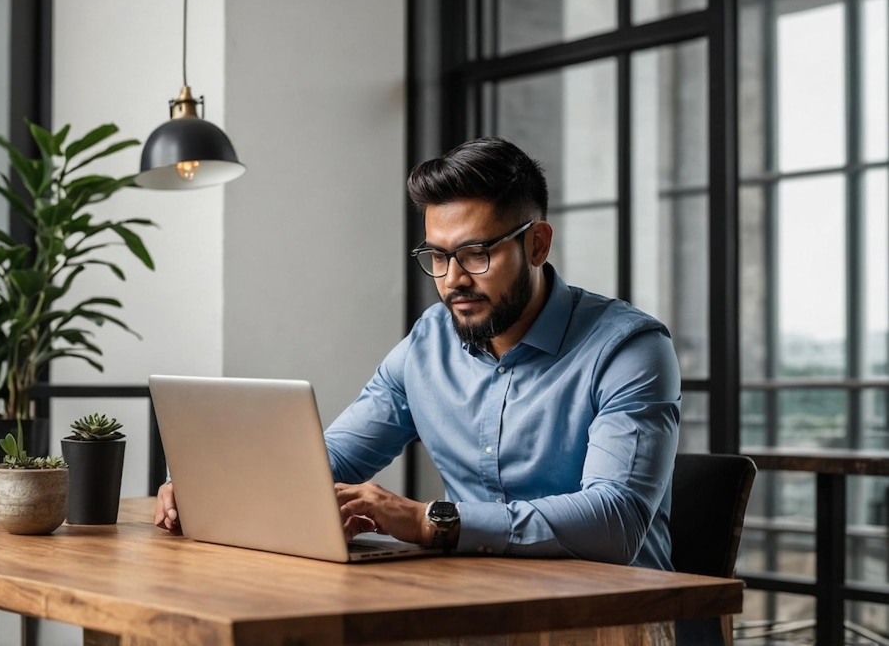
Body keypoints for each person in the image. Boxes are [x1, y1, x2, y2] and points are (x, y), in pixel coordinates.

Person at [155, 136, 680, 569]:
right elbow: (329, 461)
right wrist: (212, 484)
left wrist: (428, 520)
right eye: (437, 256)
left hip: (619, 619)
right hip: (475, 604)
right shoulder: (430, 342)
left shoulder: (628, 349)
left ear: (537, 244)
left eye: (476, 254)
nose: (452, 280)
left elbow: (616, 521)